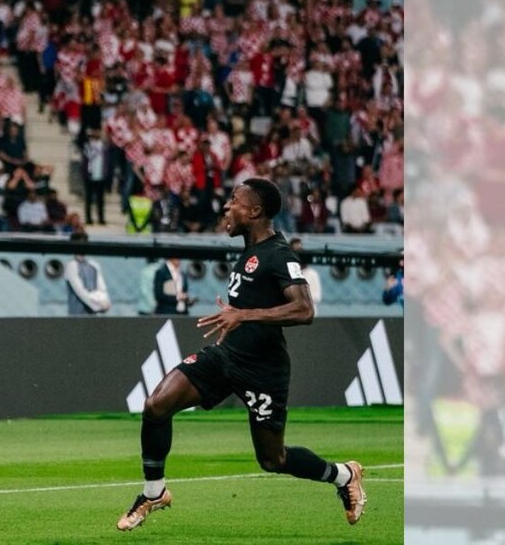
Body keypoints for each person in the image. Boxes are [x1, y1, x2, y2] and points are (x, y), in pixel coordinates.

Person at [116, 178, 366, 531]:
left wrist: (243, 314)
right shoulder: (248, 252)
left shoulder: (279, 255)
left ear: (255, 210)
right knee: (157, 405)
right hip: (225, 357)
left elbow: (304, 310)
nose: (225, 208)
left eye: (233, 201)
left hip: (264, 371)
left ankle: (344, 475)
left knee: (273, 459)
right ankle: (154, 492)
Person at [64, 233, 111, 315]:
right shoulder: (71, 266)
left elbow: (102, 289)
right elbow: (81, 293)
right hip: (76, 317)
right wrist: (98, 305)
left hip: (92, 317)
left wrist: (105, 301)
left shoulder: (93, 265)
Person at [289, 238, 323, 314]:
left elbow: (317, 297)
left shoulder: (313, 274)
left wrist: (300, 299)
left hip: (309, 314)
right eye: (296, 251)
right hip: (292, 314)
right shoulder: (287, 273)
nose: (299, 254)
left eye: (301, 250)